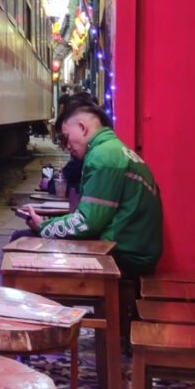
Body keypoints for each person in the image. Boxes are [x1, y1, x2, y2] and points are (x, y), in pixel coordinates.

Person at [17, 96, 163, 278]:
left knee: (21, 240)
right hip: (134, 249)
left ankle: (41, 305)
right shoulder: (113, 149)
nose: (67, 146)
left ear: (83, 127)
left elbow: (87, 223)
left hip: (125, 256)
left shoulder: (103, 157)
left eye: (67, 137)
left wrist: (44, 226)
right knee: (27, 238)